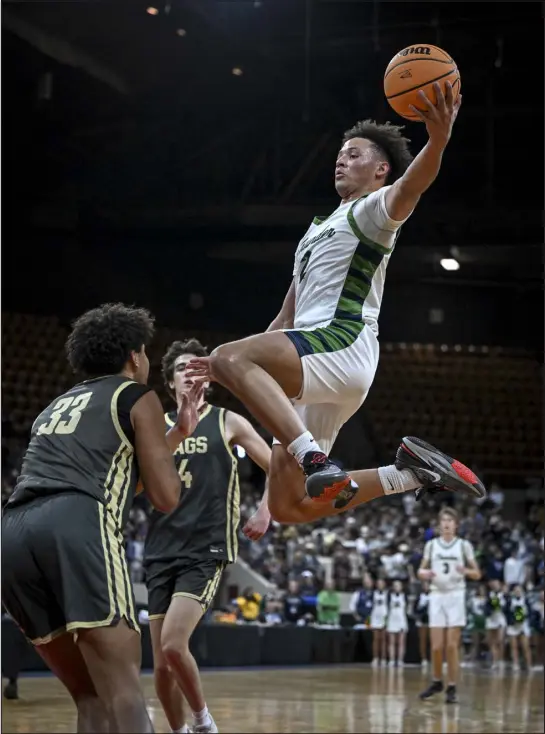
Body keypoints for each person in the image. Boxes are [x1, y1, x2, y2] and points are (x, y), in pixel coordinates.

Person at [186, 83, 485, 524]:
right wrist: (237, 368)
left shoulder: (374, 210)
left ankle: (315, 460)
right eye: (340, 154)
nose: (341, 160)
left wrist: (438, 140)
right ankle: (411, 476)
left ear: (381, 170)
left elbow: (414, 185)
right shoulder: (314, 231)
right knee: (289, 507)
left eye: (354, 154)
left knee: (227, 355)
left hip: (340, 344)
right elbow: (286, 316)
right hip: (311, 357)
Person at [1, 303, 202, 733]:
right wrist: (178, 458)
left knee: (91, 695)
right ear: (135, 355)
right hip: (76, 522)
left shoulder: (56, 405)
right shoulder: (137, 395)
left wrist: (178, 432)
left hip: (13, 534)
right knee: (124, 691)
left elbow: (117, 477)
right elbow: (165, 496)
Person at [143, 338, 271, 734]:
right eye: (181, 368)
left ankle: (203, 722)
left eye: (195, 367)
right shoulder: (154, 427)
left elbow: (276, 467)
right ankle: (179, 730)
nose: (188, 373)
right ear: (169, 383)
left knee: (172, 644)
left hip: (206, 546)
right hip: (161, 547)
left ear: (208, 379)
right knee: (162, 666)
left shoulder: (228, 421)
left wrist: (266, 509)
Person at [418, 507, 481, 704]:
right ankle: (437, 681)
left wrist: (466, 570)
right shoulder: (431, 545)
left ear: (456, 525)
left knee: (452, 646)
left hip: (456, 595)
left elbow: (477, 574)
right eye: (443, 520)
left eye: (450, 521)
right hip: (437, 595)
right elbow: (420, 570)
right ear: (439, 525)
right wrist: (424, 574)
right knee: (436, 646)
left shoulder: (463, 545)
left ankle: (452, 686)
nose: (446, 524)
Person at [505, 584, 532, 671]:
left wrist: (525, 618)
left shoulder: (526, 600)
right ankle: (515, 664)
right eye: (516, 590)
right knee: (514, 646)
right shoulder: (509, 601)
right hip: (513, 625)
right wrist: (511, 620)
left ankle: (529, 665)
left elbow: (530, 613)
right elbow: (506, 613)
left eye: (519, 590)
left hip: (523, 625)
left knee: (525, 646)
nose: (517, 591)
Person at [485, 579, 507, 670]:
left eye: (496, 584)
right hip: (491, 618)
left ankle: (501, 660)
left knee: (500, 641)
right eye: (493, 583)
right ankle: (494, 662)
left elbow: (503, 607)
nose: (494, 585)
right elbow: (489, 606)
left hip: (500, 618)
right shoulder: (489, 594)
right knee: (491, 641)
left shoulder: (504, 595)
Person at [386, 580, 408, 667]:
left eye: (398, 585)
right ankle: (391, 660)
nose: (396, 587)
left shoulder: (404, 596)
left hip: (401, 620)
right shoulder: (389, 596)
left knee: (401, 642)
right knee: (391, 642)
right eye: (395, 586)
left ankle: (400, 660)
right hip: (392, 619)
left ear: (401, 587)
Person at [370, 578, 388, 667]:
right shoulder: (373, 593)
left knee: (384, 639)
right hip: (375, 617)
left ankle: (384, 658)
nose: (380, 585)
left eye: (382, 583)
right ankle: (376, 658)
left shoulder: (387, 594)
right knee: (376, 639)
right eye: (379, 583)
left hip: (384, 616)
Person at [414, 580, 430, 668]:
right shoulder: (419, 597)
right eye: (424, 585)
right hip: (422, 622)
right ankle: (423, 659)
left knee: (432, 641)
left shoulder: (434, 596)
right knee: (422, 641)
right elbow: (415, 610)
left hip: (432, 622)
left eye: (427, 585)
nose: (426, 587)